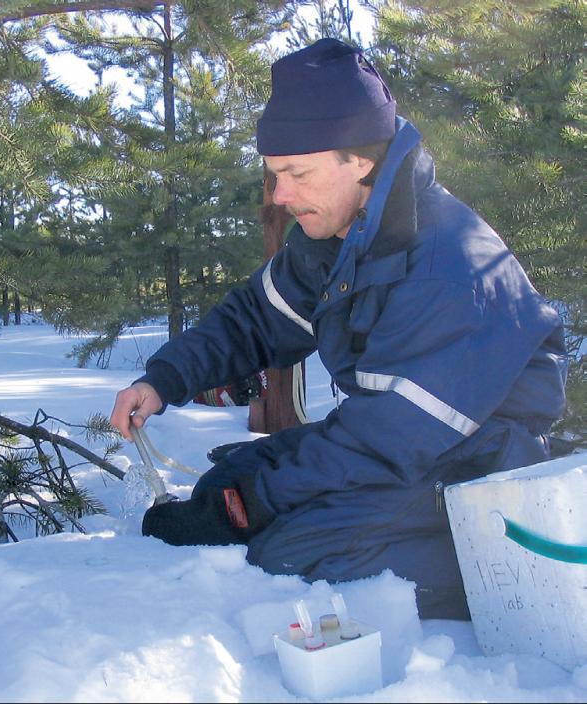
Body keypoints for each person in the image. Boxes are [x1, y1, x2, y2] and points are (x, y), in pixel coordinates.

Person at [109, 39, 567, 619]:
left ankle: (506, 570)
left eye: (296, 173)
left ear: (361, 160)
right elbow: (256, 318)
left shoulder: (449, 272)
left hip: (476, 461)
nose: (280, 196)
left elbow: (384, 443)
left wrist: (245, 510)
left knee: (288, 553)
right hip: (393, 440)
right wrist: (166, 379)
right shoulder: (336, 239)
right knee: (230, 477)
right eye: (274, 176)